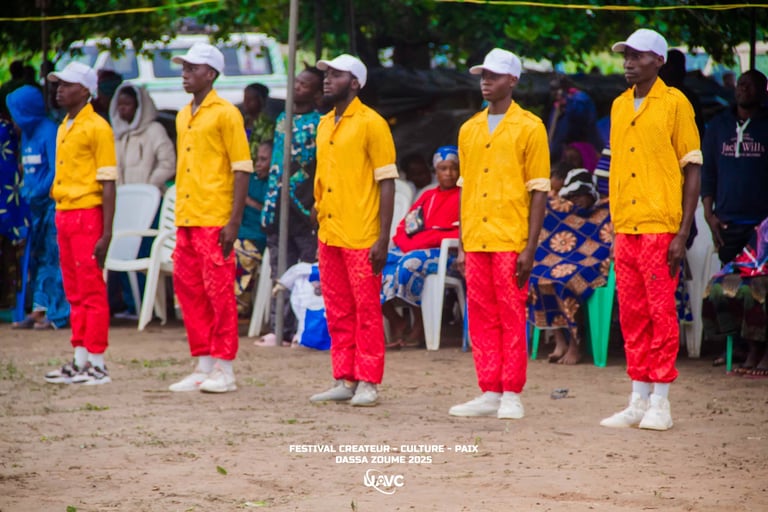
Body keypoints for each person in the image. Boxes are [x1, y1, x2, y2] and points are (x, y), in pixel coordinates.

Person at [600, 29, 701, 431]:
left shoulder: (675, 104)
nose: (628, 61)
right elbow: (617, 172)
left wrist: (681, 231)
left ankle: (661, 400)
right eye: (625, 55)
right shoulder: (619, 106)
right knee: (632, 314)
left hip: (661, 225)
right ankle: (637, 397)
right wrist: (614, 225)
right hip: (626, 226)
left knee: (661, 312)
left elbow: (692, 167)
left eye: (637, 56)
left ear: (658, 61)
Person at [449, 48, 550, 420]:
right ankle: (489, 389)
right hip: (476, 236)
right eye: (482, 75)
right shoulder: (469, 128)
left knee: (510, 314)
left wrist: (530, 246)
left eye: (493, 75)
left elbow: (539, 189)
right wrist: (461, 242)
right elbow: (465, 187)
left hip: (510, 236)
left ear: (513, 80)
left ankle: (512, 392)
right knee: (480, 315)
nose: (485, 81)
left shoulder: (530, 127)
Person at [310, 54, 398, 406]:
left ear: (356, 83)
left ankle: (368, 382)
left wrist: (383, 237)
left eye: (336, 74)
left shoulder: (372, 123)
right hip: (329, 230)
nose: (327, 79)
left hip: (362, 232)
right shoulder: (324, 124)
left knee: (366, 309)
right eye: (326, 74)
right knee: (337, 308)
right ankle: (344, 377)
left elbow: (387, 182)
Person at [167, 43, 253, 394]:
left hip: (214, 217)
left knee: (220, 294)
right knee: (189, 292)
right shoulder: (183, 113)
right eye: (184, 67)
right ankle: (203, 365)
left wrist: (233, 222)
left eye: (193, 67)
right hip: (188, 216)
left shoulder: (226, 113)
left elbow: (242, 168)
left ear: (211, 74)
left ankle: (225, 369)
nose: (185, 73)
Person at [42, 62, 117, 385]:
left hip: (88, 213)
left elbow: (109, 182)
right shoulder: (65, 126)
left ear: (85, 90)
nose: (59, 89)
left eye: (67, 84)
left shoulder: (98, 127)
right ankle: (80, 358)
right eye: (58, 84)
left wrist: (107, 232)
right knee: (73, 290)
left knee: (91, 289)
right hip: (65, 211)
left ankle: (97, 363)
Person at [701, 69, 768, 371]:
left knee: (760, 292)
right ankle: (741, 348)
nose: (742, 89)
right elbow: (708, 174)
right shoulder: (718, 126)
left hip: (762, 227)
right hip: (727, 223)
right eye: (740, 84)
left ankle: (759, 351)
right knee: (729, 290)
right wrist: (709, 214)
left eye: (750, 85)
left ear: (763, 91)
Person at [257, 66, 324, 347]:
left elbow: (317, 166)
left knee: (306, 271)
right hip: (277, 207)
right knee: (279, 270)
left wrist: (314, 204)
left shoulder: (319, 123)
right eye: (296, 82)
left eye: (305, 84)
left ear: (317, 93)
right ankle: (279, 327)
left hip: (305, 207)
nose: (297, 87)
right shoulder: (283, 118)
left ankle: (302, 328)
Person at [529, 168, 613, 365]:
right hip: (561, 261)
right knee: (540, 277)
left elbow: (604, 244)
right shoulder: (562, 211)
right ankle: (560, 341)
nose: (578, 200)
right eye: (574, 195)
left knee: (566, 281)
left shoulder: (603, 211)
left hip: (591, 265)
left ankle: (576, 344)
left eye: (582, 195)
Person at [382, 145, 460, 349]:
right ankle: (396, 321)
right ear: (436, 171)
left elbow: (461, 233)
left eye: (453, 168)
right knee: (373, 266)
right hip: (416, 250)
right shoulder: (428, 196)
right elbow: (404, 227)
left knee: (410, 263)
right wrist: (410, 244)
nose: (449, 173)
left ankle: (419, 325)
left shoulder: (465, 196)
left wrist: (424, 240)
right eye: (443, 169)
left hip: (449, 257)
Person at [6, 85, 70, 330]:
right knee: (36, 258)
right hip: (32, 208)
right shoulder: (27, 135)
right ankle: (39, 309)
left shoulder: (49, 132)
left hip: (51, 206)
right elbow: (28, 171)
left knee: (53, 258)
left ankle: (57, 313)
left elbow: (56, 171)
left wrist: (36, 192)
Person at [703, 217, 768, 376]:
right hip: (761, 266)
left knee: (759, 289)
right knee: (718, 286)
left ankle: (765, 353)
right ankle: (753, 347)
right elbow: (756, 249)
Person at [110, 83, 176, 189]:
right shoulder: (117, 134)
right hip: (123, 197)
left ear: (139, 106)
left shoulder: (154, 130)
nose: (122, 109)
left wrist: (151, 184)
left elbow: (168, 163)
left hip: (150, 197)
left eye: (127, 104)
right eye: (119, 105)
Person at [234, 140, 271, 315]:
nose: (258, 164)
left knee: (237, 254)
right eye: (257, 159)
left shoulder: (275, 185)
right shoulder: (251, 180)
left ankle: (235, 307)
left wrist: (246, 200)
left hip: (258, 237)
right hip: (239, 232)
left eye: (263, 160)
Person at [243, 83, 275, 151]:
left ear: (262, 101)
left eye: (250, 99)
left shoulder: (267, 125)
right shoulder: (241, 121)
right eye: (245, 98)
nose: (246, 102)